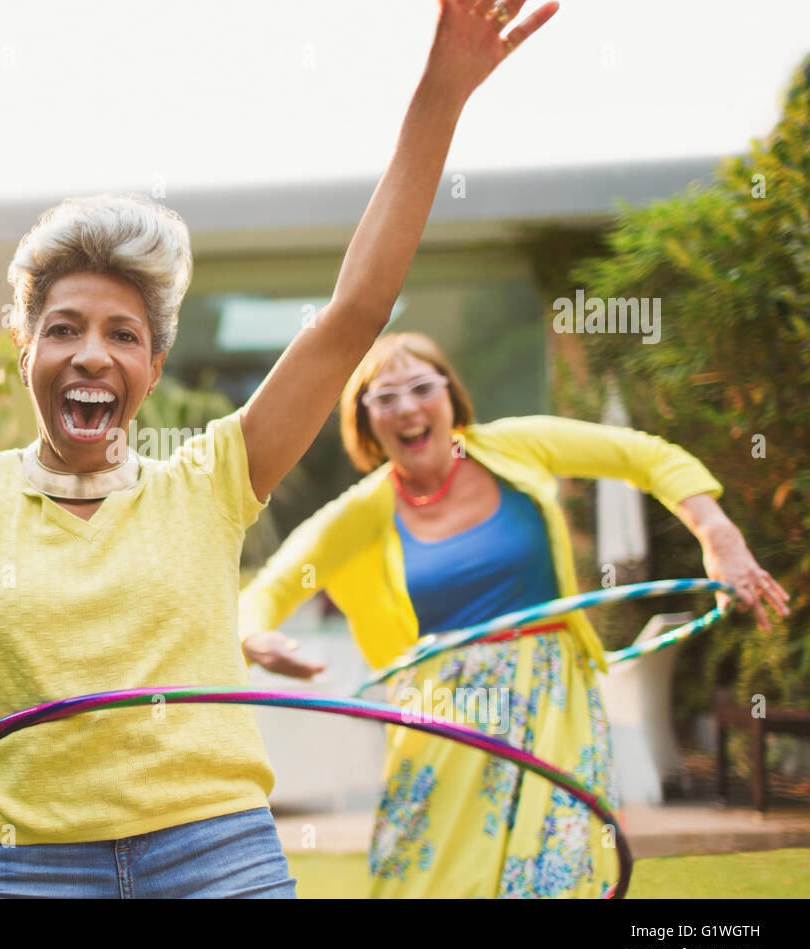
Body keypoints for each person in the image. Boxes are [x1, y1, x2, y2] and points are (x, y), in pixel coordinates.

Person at [0, 0, 561, 898]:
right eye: (63, 328)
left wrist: (441, 95)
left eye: (123, 334)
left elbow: (356, 311)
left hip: (217, 853)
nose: (93, 352)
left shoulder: (214, 478)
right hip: (27, 865)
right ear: (25, 350)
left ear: (154, 364)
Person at [239, 331, 791, 898]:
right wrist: (256, 636)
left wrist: (716, 532)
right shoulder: (364, 509)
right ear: (366, 421)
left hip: (553, 697)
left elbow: (645, 454)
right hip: (443, 717)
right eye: (385, 397)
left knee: (556, 874)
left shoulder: (516, 447)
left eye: (421, 388)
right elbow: (274, 584)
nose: (407, 407)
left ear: (450, 396)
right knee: (432, 884)